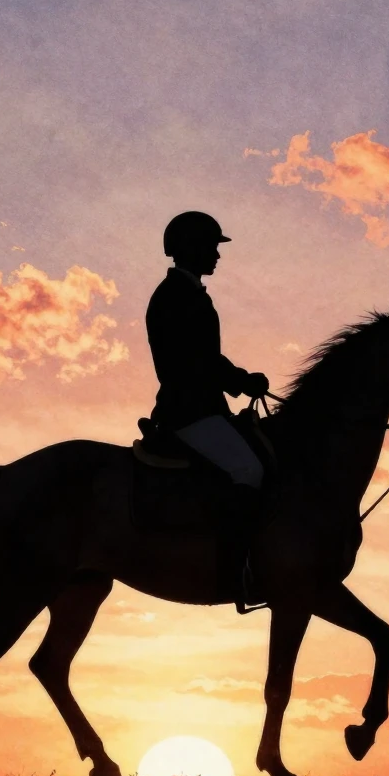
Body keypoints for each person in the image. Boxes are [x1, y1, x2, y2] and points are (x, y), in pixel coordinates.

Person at [145, 211, 270, 610]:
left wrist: (237, 380)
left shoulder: (191, 293)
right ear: (191, 248)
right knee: (248, 470)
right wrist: (241, 380)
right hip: (188, 412)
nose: (217, 255)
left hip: (204, 407)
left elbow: (205, 357)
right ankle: (237, 572)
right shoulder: (174, 297)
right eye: (212, 247)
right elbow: (195, 359)